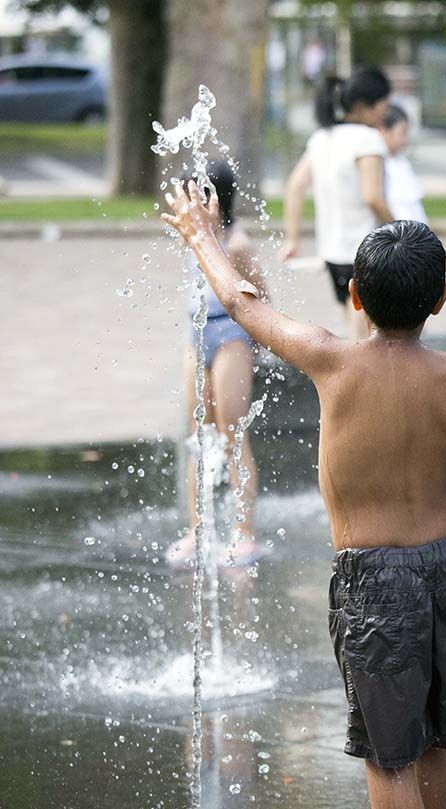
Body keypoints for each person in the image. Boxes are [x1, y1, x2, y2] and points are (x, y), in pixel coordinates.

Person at [164, 183, 446, 809]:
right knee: (433, 741)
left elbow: (242, 307)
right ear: (440, 300)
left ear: (354, 294)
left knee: (388, 755)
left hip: (375, 579)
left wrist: (202, 239)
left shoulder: (332, 358)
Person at [166, 162, 269, 569]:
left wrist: (263, 344)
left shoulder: (237, 244)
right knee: (198, 436)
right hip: (197, 335)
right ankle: (197, 531)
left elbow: (260, 297)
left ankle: (244, 534)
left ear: (216, 199)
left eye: (197, 197)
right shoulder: (194, 237)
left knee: (232, 433)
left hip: (230, 336)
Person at [282, 66, 395, 339]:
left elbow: (295, 186)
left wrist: (292, 239)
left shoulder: (322, 138)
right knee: (367, 338)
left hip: (332, 251)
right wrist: (399, 228)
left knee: (354, 326)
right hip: (364, 250)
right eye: (383, 104)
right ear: (363, 106)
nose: (387, 111)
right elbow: (372, 197)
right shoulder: (368, 140)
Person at [380, 103, 427, 224]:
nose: (405, 140)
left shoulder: (402, 163)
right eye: (402, 133)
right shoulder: (379, 165)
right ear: (384, 130)